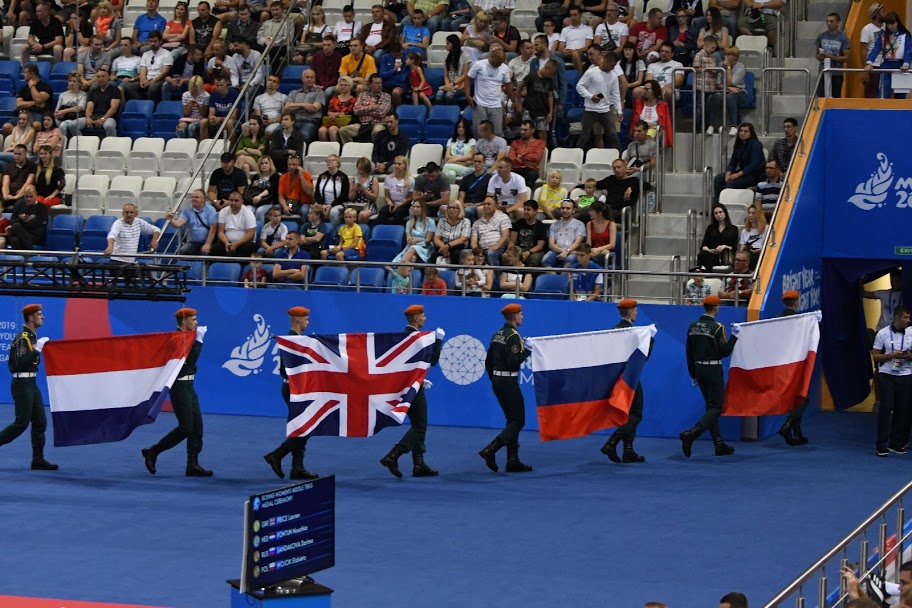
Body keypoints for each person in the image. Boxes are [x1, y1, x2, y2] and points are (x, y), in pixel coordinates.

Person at [142, 308, 214, 477]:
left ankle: (192, 464)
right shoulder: (177, 339)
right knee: (185, 427)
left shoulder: (186, 337)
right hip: (180, 386)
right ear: (184, 321)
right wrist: (199, 341)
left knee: (197, 427)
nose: (196, 322)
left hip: (189, 386)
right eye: (193, 319)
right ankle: (153, 451)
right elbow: (189, 362)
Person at [379, 305, 443, 478]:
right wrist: (438, 341)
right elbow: (433, 361)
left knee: (417, 423)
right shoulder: (418, 338)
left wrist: (421, 378)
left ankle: (419, 464)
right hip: (414, 387)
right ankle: (393, 455)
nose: (425, 318)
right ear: (415, 318)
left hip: (406, 385)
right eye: (423, 315)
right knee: (420, 426)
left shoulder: (403, 338)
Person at [263, 307, 320, 480]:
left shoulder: (297, 340)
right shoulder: (292, 341)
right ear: (297, 320)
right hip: (293, 388)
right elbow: (284, 369)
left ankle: (297, 467)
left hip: (295, 388)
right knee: (306, 426)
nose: (308, 322)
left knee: (302, 426)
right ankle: (277, 455)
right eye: (306, 319)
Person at [0, 304, 57, 471]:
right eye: (39, 314)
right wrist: (37, 349)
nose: (43, 317)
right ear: (31, 318)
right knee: (21, 423)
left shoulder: (32, 337)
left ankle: (37, 459)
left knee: (40, 421)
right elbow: (20, 363)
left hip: (31, 383)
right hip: (22, 384)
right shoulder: (23, 338)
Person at [679, 294, 738, 457]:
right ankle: (692, 434)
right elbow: (725, 351)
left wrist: (693, 374)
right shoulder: (717, 328)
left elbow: (688, 353)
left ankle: (718, 443)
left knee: (710, 407)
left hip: (699, 369)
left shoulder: (692, 326)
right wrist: (735, 336)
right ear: (717, 308)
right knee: (716, 407)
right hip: (713, 370)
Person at [479, 302, 533, 473]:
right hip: (509, 381)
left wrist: (494, 378)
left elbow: (488, 361)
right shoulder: (514, 337)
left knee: (512, 420)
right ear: (515, 316)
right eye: (521, 314)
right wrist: (527, 351)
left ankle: (512, 460)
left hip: (497, 380)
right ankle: (492, 449)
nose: (522, 317)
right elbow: (512, 363)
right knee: (518, 420)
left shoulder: (498, 334)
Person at [601, 299, 650, 463]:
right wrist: (651, 341)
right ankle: (612, 442)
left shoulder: (613, 330)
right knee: (636, 413)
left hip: (616, 377)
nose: (636, 312)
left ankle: (628, 450)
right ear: (630, 312)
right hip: (630, 378)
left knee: (628, 414)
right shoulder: (635, 333)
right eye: (635, 310)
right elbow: (643, 358)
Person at [872, 305, 912, 457]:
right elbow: (875, 356)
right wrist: (891, 355)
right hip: (887, 374)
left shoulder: (911, 333)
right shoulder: (882, 334)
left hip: (906, 374)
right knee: (886, 407)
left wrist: (907, 356)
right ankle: (881, 445)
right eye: (905, 318)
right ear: (897, 317)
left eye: (909, 318)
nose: (908, 321)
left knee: (903, 410)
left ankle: (897, 443)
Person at [776, 290, 811, 446]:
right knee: (803, 397)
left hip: (782, 363)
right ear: (796, 302)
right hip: (796, 362)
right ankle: (788, 425)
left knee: (796, 398)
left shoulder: (777, 320)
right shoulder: (799, 321)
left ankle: (796, 432)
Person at [465, 47, 513, 137]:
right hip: (480, 103)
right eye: (498, 62)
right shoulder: (479, 65)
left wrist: (514, 101)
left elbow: (508, 85)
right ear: (492, 56)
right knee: (479, 133)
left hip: (496, 104)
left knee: (497, 133)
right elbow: (468, 79)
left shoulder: (504, 68)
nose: (500, 64)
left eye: (501, 62)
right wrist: (468, 95)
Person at [713, 122, 765, 202]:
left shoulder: (756, 144)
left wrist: (737, 175)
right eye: (741, 131)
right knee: (718, 179)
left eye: (746, 131)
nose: (742, 133)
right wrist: (728, 174)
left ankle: (725, 205)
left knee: (730, 184)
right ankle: (717, 204)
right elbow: (733, 163)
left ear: (751, 133)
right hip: (742, 173)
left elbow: (754, 164)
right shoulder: (738, 145)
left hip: (754, 175)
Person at [865, 11, 912, 99]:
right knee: (883, 94)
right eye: (888, 24)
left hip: (901, 67)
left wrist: (906, 64)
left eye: (892, 23)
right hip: (886, 66)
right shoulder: (882, 36)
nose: (890, 26)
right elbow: (875, 49)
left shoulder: (905, 35)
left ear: (897, 22)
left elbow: (908, 51)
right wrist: (869, 62)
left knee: (900, 97)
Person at [167, 189, 218, 255]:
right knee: (183, 251)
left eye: (197, 197)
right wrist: (170, 219)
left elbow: (213, 229)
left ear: (203, 199)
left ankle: (204, 265)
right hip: (194, 242)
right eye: (193, 197)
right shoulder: (187, 211)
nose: (194, 199)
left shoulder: (211, 210)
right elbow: (178, 224)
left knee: (205, 252)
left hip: (209, 241)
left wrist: (207, 244)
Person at [211, 190, 258, 257]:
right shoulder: (223, 211)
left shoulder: (248, 212)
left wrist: (236, 244)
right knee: (215, 249)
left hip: (243, 243)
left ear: (242, 201)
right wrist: (226, 243)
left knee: (248, 248)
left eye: (236, 201)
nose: (233, 203)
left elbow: (251, 234)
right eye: (231, 200)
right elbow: (220, 232)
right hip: (227, 243)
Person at [815, 13, 850, 98]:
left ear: (838, 23)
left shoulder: (843, 38)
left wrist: (831, 57)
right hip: (823, 71)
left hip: (837, 72)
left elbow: (846, 57)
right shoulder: (821, 36)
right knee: (821, 96)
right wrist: (820, 57)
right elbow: (817, 54)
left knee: (836, 96)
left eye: (831, 21)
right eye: (827, 21)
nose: (829, 23)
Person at [697, 203, 739, 270]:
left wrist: (724, 246)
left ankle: (706, 275)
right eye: (716, 213)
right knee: (703, 255)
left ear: (725, 213)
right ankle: (707, 274)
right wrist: (709, 250)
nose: (718, 215)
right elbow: (704, 245)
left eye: (720, 212)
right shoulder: (710, 228)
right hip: (710, 254)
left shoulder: (733, 229)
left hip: (724, 255)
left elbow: (734, 247)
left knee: (705, 258)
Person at [6, 185, 45, 250]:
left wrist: (26, 221)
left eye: (31, 196)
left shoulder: (42, 208)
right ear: (23, 195)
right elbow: (12, 221)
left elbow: (38, 224)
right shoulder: (19, 205)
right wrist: (21, 219)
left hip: (34, 236)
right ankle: (27, 256)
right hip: (19, 234)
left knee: (16, 229)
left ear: (36, 195)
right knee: (15, 238)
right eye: (26, 196)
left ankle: (27, 255)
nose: (28, 199)